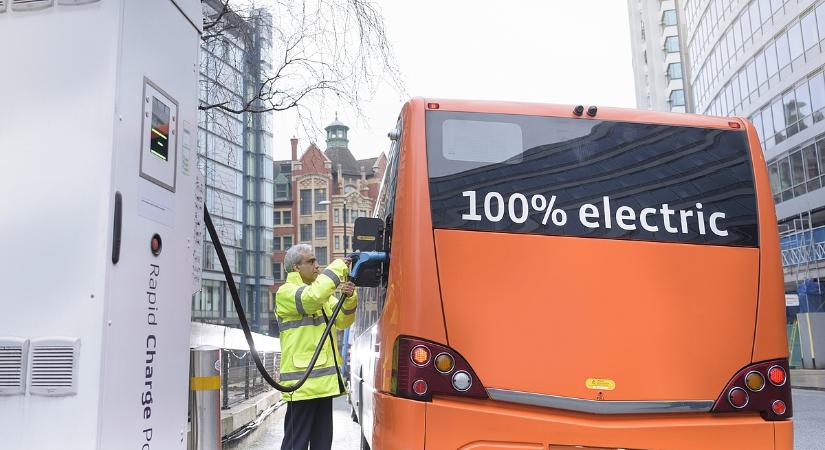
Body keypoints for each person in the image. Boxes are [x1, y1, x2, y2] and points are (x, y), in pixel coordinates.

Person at [275, 244, 357, 450]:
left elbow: (342, 322)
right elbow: (310, 299)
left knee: (322, 444)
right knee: (296, 444)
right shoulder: (286, 292)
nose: (317, 266)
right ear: (296, 267)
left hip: (322, 384)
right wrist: (338, 267)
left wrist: (348, 299)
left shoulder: (323, 296)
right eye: (311, 261)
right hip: (301, 384)